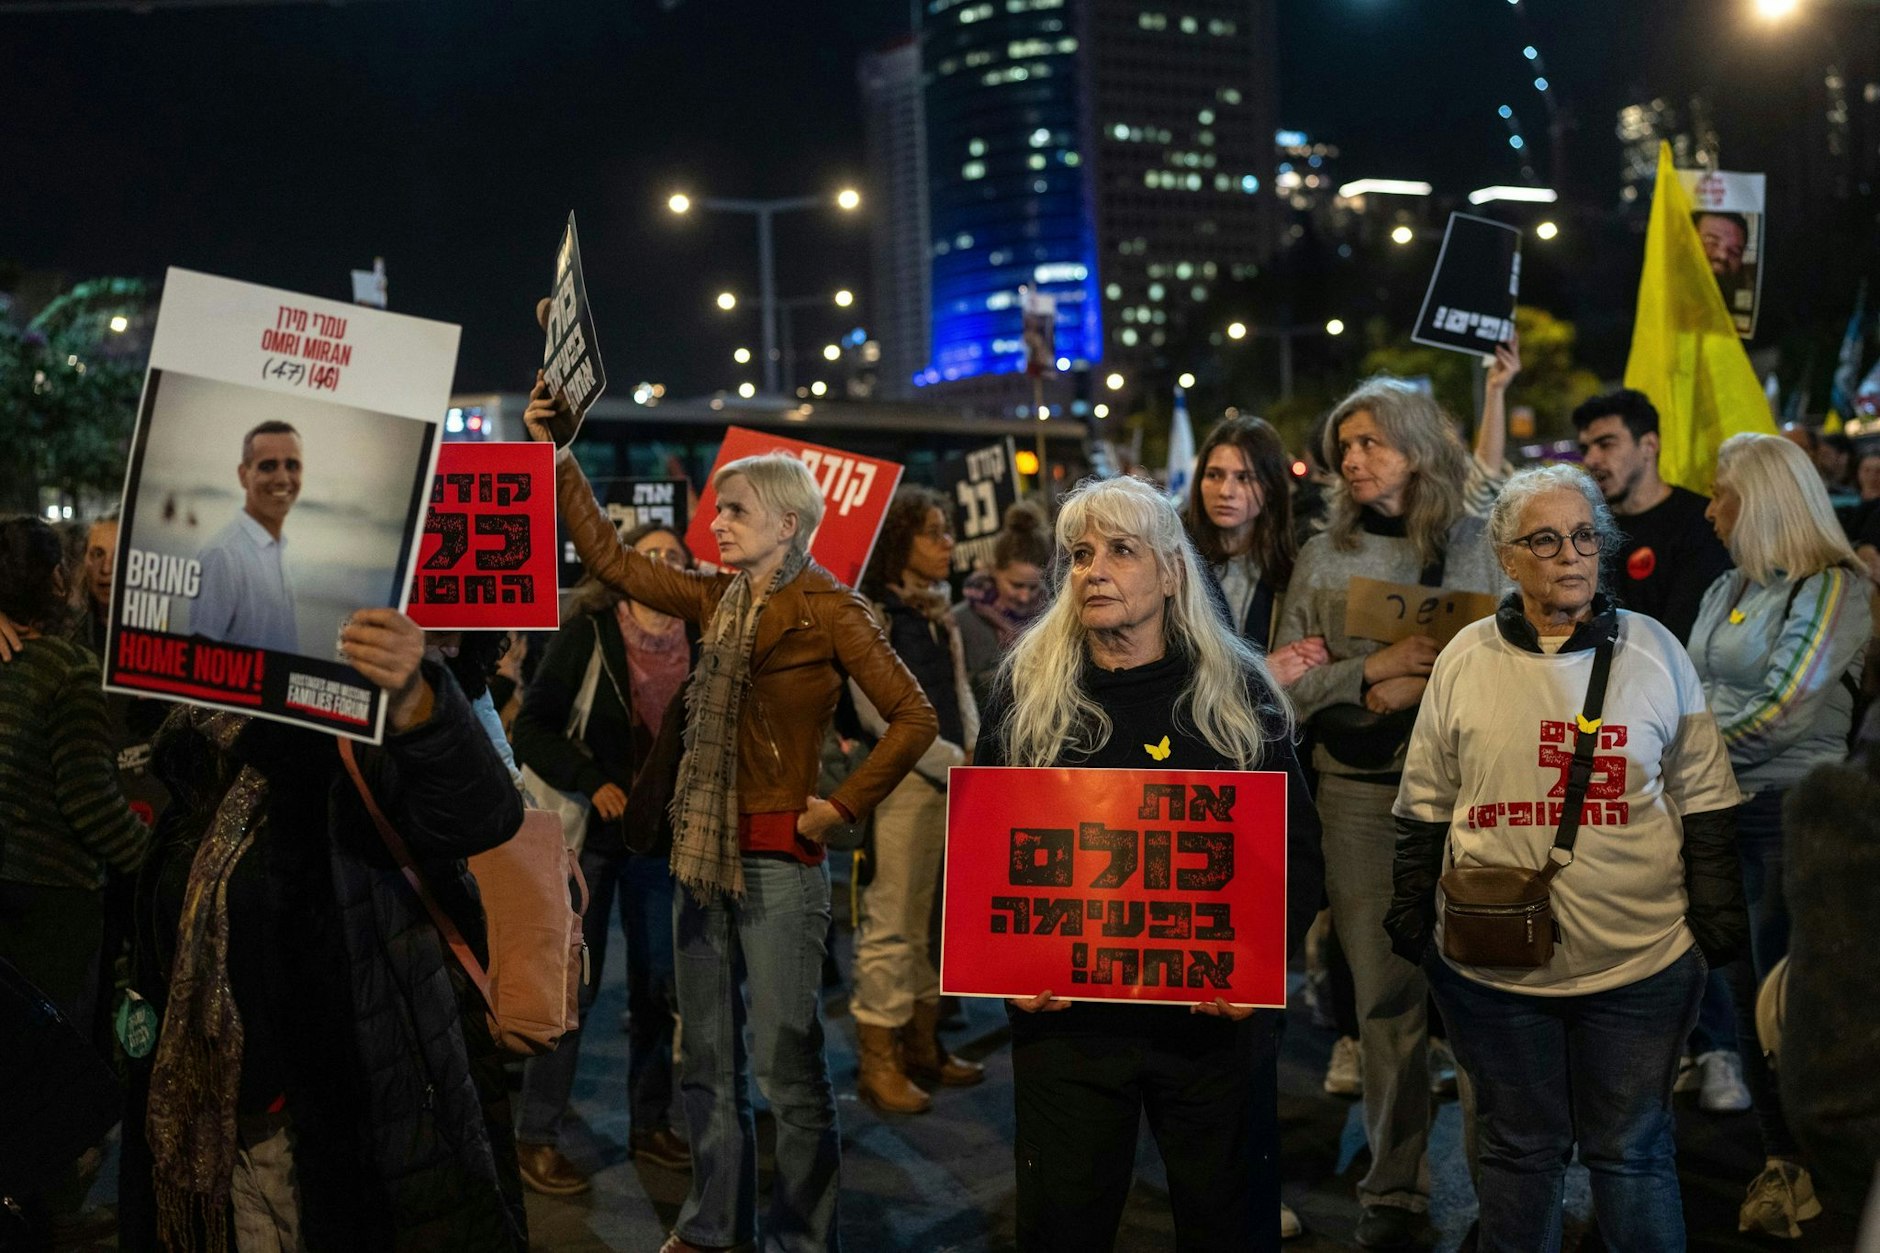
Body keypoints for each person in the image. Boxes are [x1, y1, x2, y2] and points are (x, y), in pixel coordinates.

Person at [530, 376, 938, 1253]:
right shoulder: (715, 598)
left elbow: (916, 719)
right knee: (708, 1064)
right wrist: (561, 452)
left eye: (734, 512)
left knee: (789, 1069)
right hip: (699, 860)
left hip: (784, 865)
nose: (714, 526)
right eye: (718, 513)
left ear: (788, 524)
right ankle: (714, 1223)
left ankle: (800, 1234)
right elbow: (610, 559)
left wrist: (841, 805)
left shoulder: (833, 610)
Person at [1386, 464, 1746, 1252]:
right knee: (1518, 1151)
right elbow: (1424, 801)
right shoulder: (1464, 659)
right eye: (1545, 539)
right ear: (1507, 558)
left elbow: (1706, 793)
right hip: (1496, 971)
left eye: (1584, 535)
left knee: (1633, 1152)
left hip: (1641, 964)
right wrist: (1415, 915)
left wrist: (1713, 922)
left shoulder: (1656, 650)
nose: (1571, 554)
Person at [977, 474, 1323, 1253]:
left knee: (1227, 1225)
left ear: (1172, 572)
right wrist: (1005, 972)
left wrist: (1259, 974)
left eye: (1121, 551)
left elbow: (1298, 851)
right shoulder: (1024, 696)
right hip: (1068, 1029)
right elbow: (985, 853)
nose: (1094, 569)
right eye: (1079, 554)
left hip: (1209, 1030)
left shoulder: (1241, 694)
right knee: (1064, 1228)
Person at [117, 607, 530, 1252]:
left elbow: (484, 812)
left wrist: (414, 697)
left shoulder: (354, 713)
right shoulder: (200, 732)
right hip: (227, 1110)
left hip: (346, 1109)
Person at [1273, 376, 1504, 1249]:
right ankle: (1396, 1180)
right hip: (1362, 799)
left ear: (1417, 445)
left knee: (1485, 996)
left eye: (1370, 440)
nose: (1352, 458)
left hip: (1473, 797)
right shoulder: (1323, 554)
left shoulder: (1482, 545)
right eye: (1345, 445)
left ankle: (1502, 1185)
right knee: (1384, 998)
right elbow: (1280, 683)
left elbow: (1521, 654)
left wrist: (1429, 674)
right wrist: (1367, 675)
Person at [1687, 431, 1872, 1239]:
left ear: (1760, 499)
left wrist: (1685, 757)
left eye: (1720, 493)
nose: (1709, 508)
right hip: (1722, 812)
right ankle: (1780, 1163)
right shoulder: (1728, 583)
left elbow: (1786, 707)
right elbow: (1690, 693)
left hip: (1792, 821)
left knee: (1790, 1009)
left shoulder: (1836, 587)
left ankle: (1829, 1186)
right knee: (1737, 994)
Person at [510, 523, 694, 1192]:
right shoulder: (588, 628)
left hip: (663, 841)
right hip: (590, 840)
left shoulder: (699, 633)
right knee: (571, 989)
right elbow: (532, 727)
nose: (663, 564)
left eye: (675, 557)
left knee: (658, 986)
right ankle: (536, 1135)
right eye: (650, 554)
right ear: (621, 567)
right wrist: (593, 779)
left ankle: (651, 1123)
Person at [0, 516, 152, 1246]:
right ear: (54, 579)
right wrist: (164, 864)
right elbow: (93, 808)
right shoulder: (67, 672)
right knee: (55, 1063)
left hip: (6, 889)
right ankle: (54, 1203)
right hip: (54, 900)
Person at [848, 487, 984, 1115]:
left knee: (933, 921)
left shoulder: (935, 611)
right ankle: (878, 1056)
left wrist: (978, 759)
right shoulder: (872, 613)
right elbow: (876, 713)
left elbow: (957, 695)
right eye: (932, 532)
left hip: (953, 782)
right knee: (891, 923)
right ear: (901, 542)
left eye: (947, 529)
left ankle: (922, 1045)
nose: (946, 542)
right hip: (904, 784)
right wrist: (954, 763)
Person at [1572, 389, 1733, 645]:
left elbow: (1684, 634)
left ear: (1649, 446)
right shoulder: (1585, 530)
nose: (1591, 459)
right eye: (1585, 448)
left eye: (1606, 444)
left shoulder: (1701, 521)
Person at [1184, 413, 1328, 685]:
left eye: (1244, 478)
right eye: (1214, 475)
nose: (1226, 491)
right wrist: (1259, 673)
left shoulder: (1295, 564)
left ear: (1271, 487)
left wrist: (1315, 656)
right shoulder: (1174, 562)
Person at [191, 420, 303, 653]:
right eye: (268, 466)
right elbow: (197, 659)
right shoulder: (222, 556)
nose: (283, 478)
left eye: (292, 465)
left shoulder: (276, 547)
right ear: (244, 475)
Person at [953, 500, 1051, 715]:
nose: (1025, 597)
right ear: (995, 570)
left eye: (1033, 587)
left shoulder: (1053, 619)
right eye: (1016, 585)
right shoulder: (961, 621)